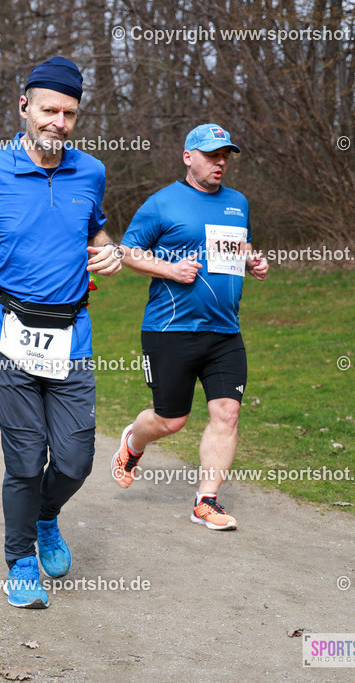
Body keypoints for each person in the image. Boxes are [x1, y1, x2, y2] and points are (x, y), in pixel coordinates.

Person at [0, 56, 123, 609]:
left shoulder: (90, 172)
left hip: (72, 334)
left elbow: (95, 231)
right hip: (8, 332)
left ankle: (46, 517)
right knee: (24, 457)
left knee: (75, 459)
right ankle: (21, 559)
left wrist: (109, 251)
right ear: (24, 107)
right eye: (49, 109)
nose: (59, 122)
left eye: (69, 113)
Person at [113, 124, 269, 531]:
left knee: (228, 413)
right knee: (171, 420)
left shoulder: (238, 202)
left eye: (225, 156)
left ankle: (206, 500)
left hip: (224, 331)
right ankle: (134, 441)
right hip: (170, 329)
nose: (220, 163)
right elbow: (126, 252)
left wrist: (253, 261)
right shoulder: (162, 203)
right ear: (188, 157)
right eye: (212, 155)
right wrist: (171, 269)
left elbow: (240, 244)